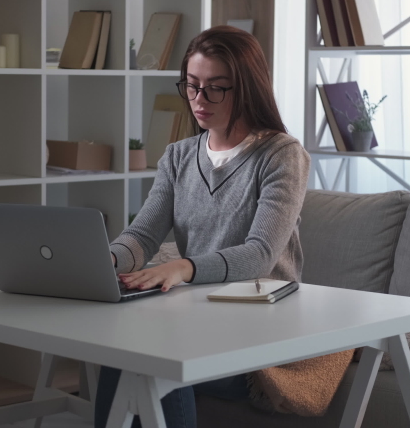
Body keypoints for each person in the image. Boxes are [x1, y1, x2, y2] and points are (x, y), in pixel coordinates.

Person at [94, 25, 310, 428]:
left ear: (246, 87)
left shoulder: (281, 155)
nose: (199, 100)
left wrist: (184, 267)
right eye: (191, 86)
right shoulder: (178, 155)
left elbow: (261, 254)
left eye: (216, 88)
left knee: (161, 356)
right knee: (119, 352)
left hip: (262, 330)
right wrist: (103, 258)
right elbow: (141, 236)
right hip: (192, 317)